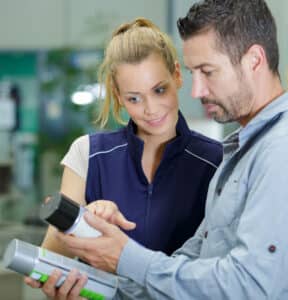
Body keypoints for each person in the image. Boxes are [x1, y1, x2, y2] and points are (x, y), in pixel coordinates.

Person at [39, 0, 288, 299]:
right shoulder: (241, 154)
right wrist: (105, 292)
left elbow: (248, 285)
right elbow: (192, 266)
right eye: (193, 73)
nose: (196, 91)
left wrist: (125, 257)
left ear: (254, 60)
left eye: (207, 72)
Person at [24, 16, 223, 296]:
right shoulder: (88, 153)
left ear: (177, 75)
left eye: (159, 90)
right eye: (134, 98)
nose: (151, 109)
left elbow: (222, 271)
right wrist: (85, 220)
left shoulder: (217, 161)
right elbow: (53, 260)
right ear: (118, 96)